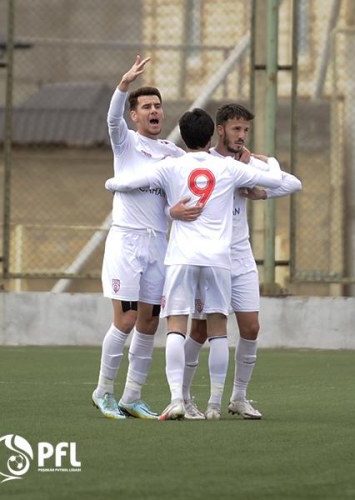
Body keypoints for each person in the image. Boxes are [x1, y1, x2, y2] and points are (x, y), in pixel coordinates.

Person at [104, 108, 283, 420]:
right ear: (212, 135)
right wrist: (272, 162)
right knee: (218, 330)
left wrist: (112, 184)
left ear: (183, 138)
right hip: (218, 260)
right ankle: (214, 405)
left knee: (177, 327)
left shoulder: (171, 166)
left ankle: (177, 399)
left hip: (181, 258)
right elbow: (277, 181)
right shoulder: (228, 167)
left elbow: (127, 183)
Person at [92, 55, 201, 420]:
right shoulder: (125, 142)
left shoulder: (171, 153)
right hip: (127, 242)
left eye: (158, 106)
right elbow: (112, 119)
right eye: (147, 107)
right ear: (134, 115)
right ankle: (103, 391)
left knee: (149, 322)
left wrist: (174, 212)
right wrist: (124, 85)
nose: (154, 111)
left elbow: (179, 189)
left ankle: (132, 396)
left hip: (158, 245)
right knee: (125, 320)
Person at [177, 103, 302, 420]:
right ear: (219, 130)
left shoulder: (247, 163)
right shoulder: (207, 162)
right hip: (209, 256)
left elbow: (292, 183)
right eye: (236, 129)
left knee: (251, 327)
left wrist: (262, 189)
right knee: (200, 331)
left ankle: (239, 398)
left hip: (241, 256)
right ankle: (183, 397)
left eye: (246, 129)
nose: (242, 135)